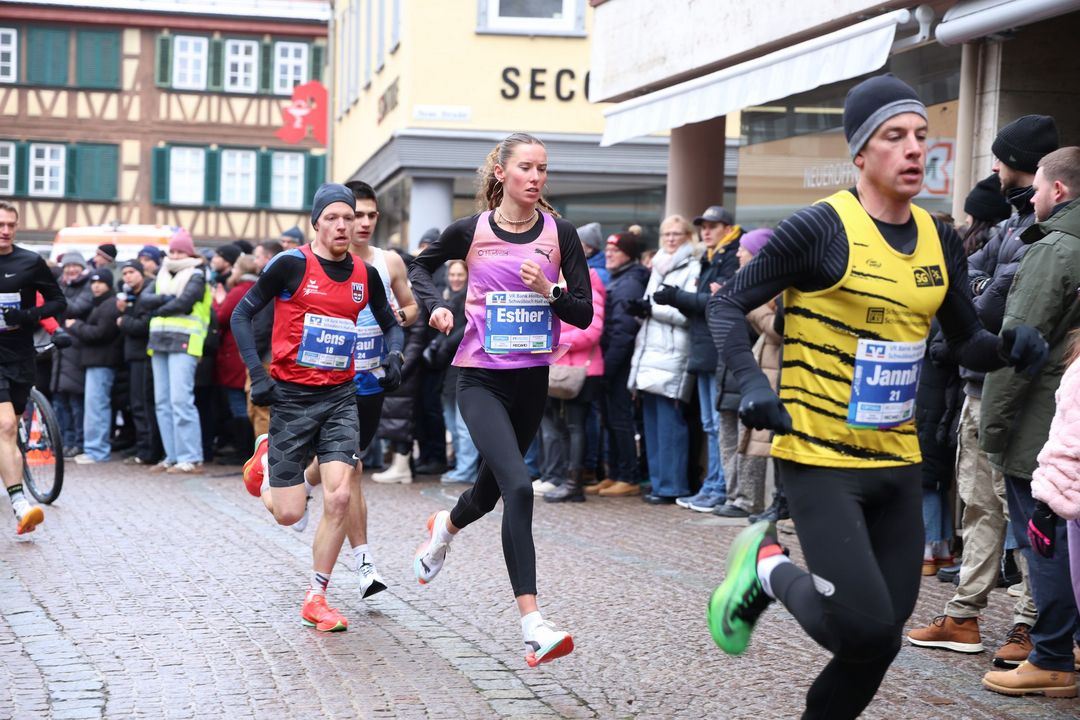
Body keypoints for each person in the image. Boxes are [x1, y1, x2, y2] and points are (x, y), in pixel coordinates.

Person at [704, 74, 1049, 719]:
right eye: (895, 136)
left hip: (896, 459)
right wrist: (753, 384)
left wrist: (1008, 349)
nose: (914, 149)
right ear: (860, 153)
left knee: (880, 642)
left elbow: (965, 338)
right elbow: (726, 309)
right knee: (859, 628)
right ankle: (767, 566)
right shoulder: (819, 228)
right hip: (820, 459)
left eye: (921, 135)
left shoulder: (939, 237)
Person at [407, 132, 593, 666]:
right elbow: (420, 265)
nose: (535, 178)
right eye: (526, 168)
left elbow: (580, 312)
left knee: (487, 495)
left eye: (543, 169)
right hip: (480, 378)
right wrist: (437, 305)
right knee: (519, 485)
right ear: (501, 174)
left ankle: (443, 529)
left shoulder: (561, 234)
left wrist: (550, 291)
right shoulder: (472, 230)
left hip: (531, 380)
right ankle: (533, 625)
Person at [907, 115, 1058, 666]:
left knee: (1020, 513)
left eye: (1000, 158)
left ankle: (1029, 622)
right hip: (980, 384)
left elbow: (983, 306)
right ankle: (965, 613)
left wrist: (970, 295)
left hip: (1016, 390)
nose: (993, 168)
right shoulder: (1006, 225)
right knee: (978, 507)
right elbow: (964, 290)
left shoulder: (1037, 230)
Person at [232, 184, 404, 631]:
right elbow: (241, 315)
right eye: (333, 217)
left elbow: (390, 323)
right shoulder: (290, 265)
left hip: (341, 396)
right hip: (291, 397)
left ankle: (317, 596)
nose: (344, 225)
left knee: (341, 494)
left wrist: (395, 355)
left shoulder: (365, 274)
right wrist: (258, 374)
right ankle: (267, 458)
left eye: (349, 217)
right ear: (317, 223)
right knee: (289, 513)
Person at [979, 146, 1080, 698]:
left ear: (1059, 191)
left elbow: (1018, 349)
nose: (1032, 198)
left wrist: (992, 430)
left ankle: (1051, 656)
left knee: (1044, 539)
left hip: (1047, 421)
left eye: (1038, 188)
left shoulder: (1055, 249)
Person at [656, 205, 741, 512]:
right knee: (709, 423)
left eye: (713, 226)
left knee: (718, 424)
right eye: (704, 226)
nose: (707, 231)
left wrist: (678, 297)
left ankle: (719, 487)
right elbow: (707, 302)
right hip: (704, 347)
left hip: (718, 350)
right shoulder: (710, 257)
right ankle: (713, 485)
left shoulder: (730, 258)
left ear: (728, 229)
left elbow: (720, 303)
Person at [0, 201, 66, 534]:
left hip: (19, 352)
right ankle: (20, 504)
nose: (6, 231)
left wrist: (27, 317)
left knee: (11, 430)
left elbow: (58, 302)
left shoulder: (29, 262)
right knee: (7, 425)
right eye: (1, 224)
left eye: (11, 225)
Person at [627, 214, 699, 504]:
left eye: (677, 234)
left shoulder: (692, 266)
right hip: (649, 349)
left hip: (673, 350)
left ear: (687, 237)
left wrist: (651, 310)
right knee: (653, 424)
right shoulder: (657, 266)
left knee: (670, 424)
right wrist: (640, 309)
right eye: (667, 233)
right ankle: (659, 482)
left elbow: (686, 311)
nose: (670, 238)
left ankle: (672, 485)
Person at [143, 229, 211, 474]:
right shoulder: (161, 272)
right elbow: (143, 300)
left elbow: (185, 303)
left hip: (185, 341)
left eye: (180, 250)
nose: (175, 254)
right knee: (162, 402)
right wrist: (167, 300)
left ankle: (191, 458)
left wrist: (159, 305)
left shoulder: (197, 273)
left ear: (190, 252)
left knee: (181, 401)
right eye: (172, 250)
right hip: (159, 341)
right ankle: (171, 456)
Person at [541, 265, 605, 502]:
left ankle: (573, 483)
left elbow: (592, 331)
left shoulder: (588, 290)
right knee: (564, 426)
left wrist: (554, 341)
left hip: (583, 372)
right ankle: (566, 480)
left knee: (576, 427)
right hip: (563, 370)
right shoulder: (560, 289)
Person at [592, 232, 649, 497]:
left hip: (619, 363)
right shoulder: (621, 279)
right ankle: (615, 473)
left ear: (629, 253)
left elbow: (622, 331)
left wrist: (609, 367)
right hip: (613, 361)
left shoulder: (629, 283)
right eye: (608, 249)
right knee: (611, 420)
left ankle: (628, 476)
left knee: (620, 420)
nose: (609, 253)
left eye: (616, 249)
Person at [430, 260, 481, 485]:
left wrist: (446, 343)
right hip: (448, 371)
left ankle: (466, 470)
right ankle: (461, 467)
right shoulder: (447, 299)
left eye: (460, 274)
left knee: (463, 425)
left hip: (466, 367)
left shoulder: (473, 298)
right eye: (452, 274)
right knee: (452, 422)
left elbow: (471, 328)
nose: (456, 278)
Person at [65, 268, 122, 464]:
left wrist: (76, 326)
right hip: (95, 362)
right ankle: (93, 448)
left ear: (109, 284)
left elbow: (100, 333)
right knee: (94, 407)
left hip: (103, 362)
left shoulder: (109, 305)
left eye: (101, 283)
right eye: (93, 282)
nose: (96, 286)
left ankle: (97, 450)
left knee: (97, 407)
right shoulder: (100, 304)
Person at [214, 254, 258, 464]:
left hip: (235, 353)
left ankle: (243, 451)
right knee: (250, 405)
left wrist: (218, 301)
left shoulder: (239, 290)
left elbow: (222, 317)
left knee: (238, 404)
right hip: (250, 352)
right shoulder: (259, 288)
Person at [116, 259, 160, 465]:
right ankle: (143, 447)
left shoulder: (146, 296)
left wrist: (124, 319)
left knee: (142, 403)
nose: (128, 276)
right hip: (134, 355)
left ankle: (148, 451)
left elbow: (144, 326)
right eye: (124, 273)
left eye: (132, 272)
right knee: (136, 404)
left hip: (144, 356)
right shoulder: (132, 296)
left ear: (141, 273)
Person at [52, 252, 91, 458]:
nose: (71, 270)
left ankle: (78, 441)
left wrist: (56, 297)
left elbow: (75, 308)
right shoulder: (62, 285)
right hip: (61, 351)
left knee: (76, 403)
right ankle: (64, 442)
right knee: (60, 402)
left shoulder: (86, 286)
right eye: (67, 266)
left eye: (75, 266)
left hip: (76, 350)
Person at [247, 240, 284, 438]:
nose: (255, 261)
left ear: (268, 258)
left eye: (258, 256)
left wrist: (251, 354)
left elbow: (263, 322)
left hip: (266, 357)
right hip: (269, 354)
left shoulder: (270, 282)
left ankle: (265, 463)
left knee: (261, 411)